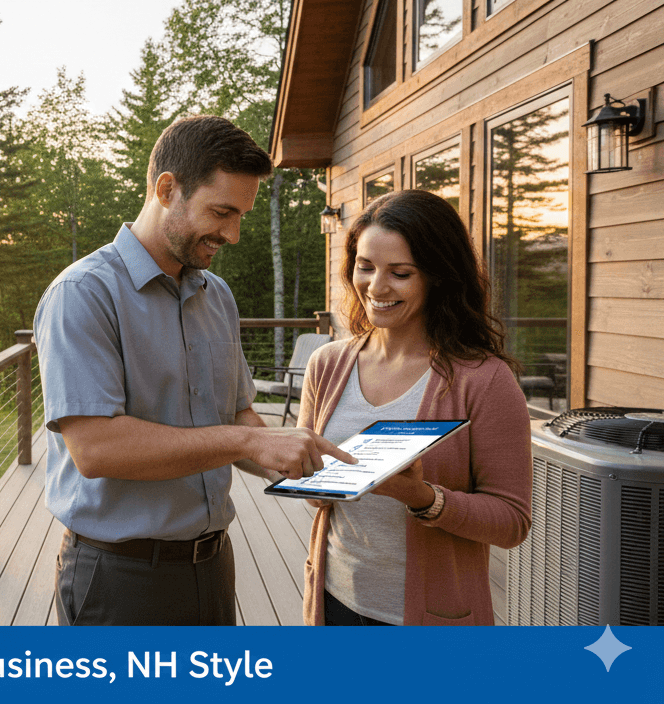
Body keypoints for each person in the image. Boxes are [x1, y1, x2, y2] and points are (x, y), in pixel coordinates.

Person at [33, 115, 357, 626]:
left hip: (212, 566)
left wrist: (296, 466)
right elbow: (96, 448)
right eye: (222, 211)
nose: (232, 233)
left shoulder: (217, 295)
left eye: (242, 216)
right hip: (119, 580)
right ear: (167, 189)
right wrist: (248, 444)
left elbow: (237, 413)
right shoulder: (83, 294)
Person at [299, 189, 532, 626]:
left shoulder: (484, 380)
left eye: (400, 273)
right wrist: (303, 476)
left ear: (438, 276)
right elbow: (317, 496)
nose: (376, 286)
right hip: (332, 600)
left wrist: (424, 499)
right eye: (365, 266)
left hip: (430, 619)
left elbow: (512, 521)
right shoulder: (326, 365)